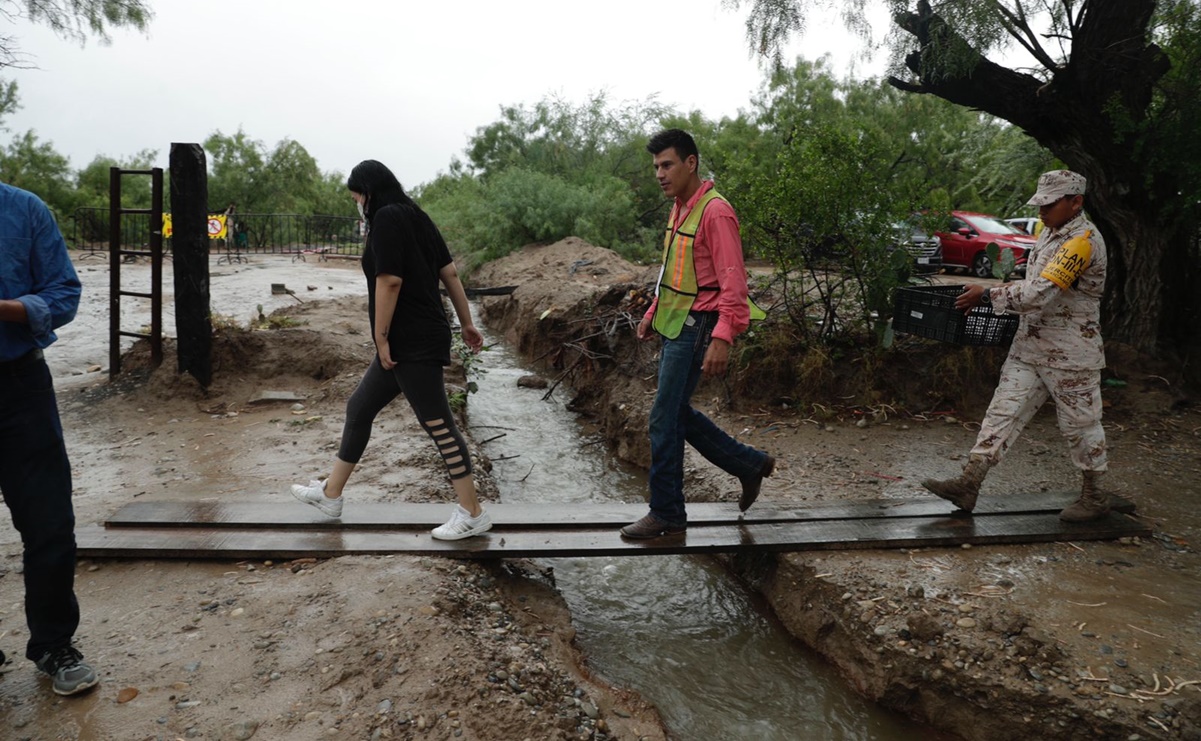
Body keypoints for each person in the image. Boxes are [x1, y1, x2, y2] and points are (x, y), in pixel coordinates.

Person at [290, 160, 491, 540]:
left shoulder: (385, 220)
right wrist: (466, 323)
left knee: (439, 426)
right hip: (418, 335)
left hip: (408, 341)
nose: (357, 204)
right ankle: (331, 495)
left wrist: (381, 337)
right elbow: (450, 273)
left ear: (368, 193)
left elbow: (390, 282)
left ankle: (472, 512)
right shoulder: (418, 216)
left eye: (356, 197)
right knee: (359, 408)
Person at [922, 170, 1112, 522]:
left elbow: (1040, 292)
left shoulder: (1082, 241)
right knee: (1001, 415)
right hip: (1030, 346)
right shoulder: (1052, 233)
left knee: (1081, 426)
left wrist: (988, 294)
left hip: (1071, 353)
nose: (1041, 211)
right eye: (1039, 204)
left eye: (1049, 204)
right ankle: (969, 484)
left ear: (1075, 202)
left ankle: (1095, 496)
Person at [620, 129, 774, 539]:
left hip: (700, 324)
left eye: (667, 164)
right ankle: (749, 464)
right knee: (672, 414)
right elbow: (675, 270)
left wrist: (724, 335)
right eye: (655, 166)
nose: (659, 173)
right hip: (676, 320)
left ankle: (667, 513)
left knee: (662, 417)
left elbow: (733, 280)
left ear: (691, 163)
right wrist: (653, 311)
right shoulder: (679, 208)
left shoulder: (714, 211)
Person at [0, 180, 99, 695]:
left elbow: (64, 294)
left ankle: (53, 645)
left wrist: (9, 309)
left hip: (19, 385)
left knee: (49, 523)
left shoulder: (25, 210)